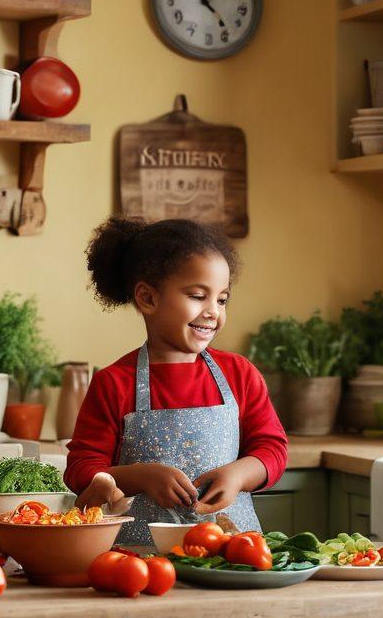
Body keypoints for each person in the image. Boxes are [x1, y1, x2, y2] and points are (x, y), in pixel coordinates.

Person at [64, 217, 288, 546]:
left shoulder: (239, 373)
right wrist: (137, 476)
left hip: (233, 554)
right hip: (137, 558)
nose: (213, 311)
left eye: (222, 299)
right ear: (148, 298)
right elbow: (81, 467)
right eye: (198, 296)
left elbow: (273, 449)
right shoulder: (114, 383)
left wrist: (239, 474)